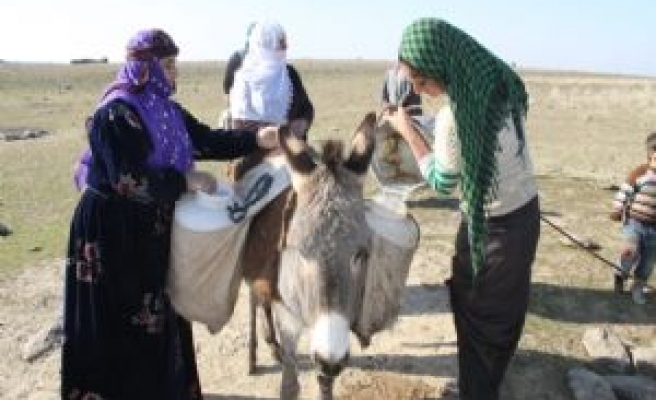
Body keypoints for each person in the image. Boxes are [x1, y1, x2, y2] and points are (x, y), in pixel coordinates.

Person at [61, 28, 278, 400]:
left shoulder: (166, 110)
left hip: (150, 231)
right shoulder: (115, 114)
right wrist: (186, 180)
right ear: (144, 67)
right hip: (110, 234)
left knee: (157, 315)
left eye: (175, 64)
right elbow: (129, 181)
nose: (175, 73)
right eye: (168, 64)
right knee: (116, 322)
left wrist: (256, 139)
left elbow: (206, 139)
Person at [384, 18, 540, 399]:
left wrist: (408, 130)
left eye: (422, 83)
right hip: (525, 216)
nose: (424, 92)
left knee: (480, 322)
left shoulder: (454, 120)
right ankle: (481, 386)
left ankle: (477, 392)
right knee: (504, 317)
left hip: (493, 233)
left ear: (442, 66)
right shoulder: (498, 78)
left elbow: (441, 180)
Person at [229, 20, 314, 139]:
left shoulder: (290, 73)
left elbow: (307, 108)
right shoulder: (243, 79)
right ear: (265, 44)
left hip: (293, 148)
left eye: (285, 42)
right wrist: (270, 134)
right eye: (280, 43)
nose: (286, 47)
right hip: (255, 151)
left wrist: (303, 123)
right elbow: (239, 126)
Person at [610, 131, 656, 305]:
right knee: (630, 252)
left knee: (648, 261)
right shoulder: (639, 173)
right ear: (650, 154)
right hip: (634, 223)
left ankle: (638, 287)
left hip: (655, 228)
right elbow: (625, 192)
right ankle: (620, 274)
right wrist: (617, 209)